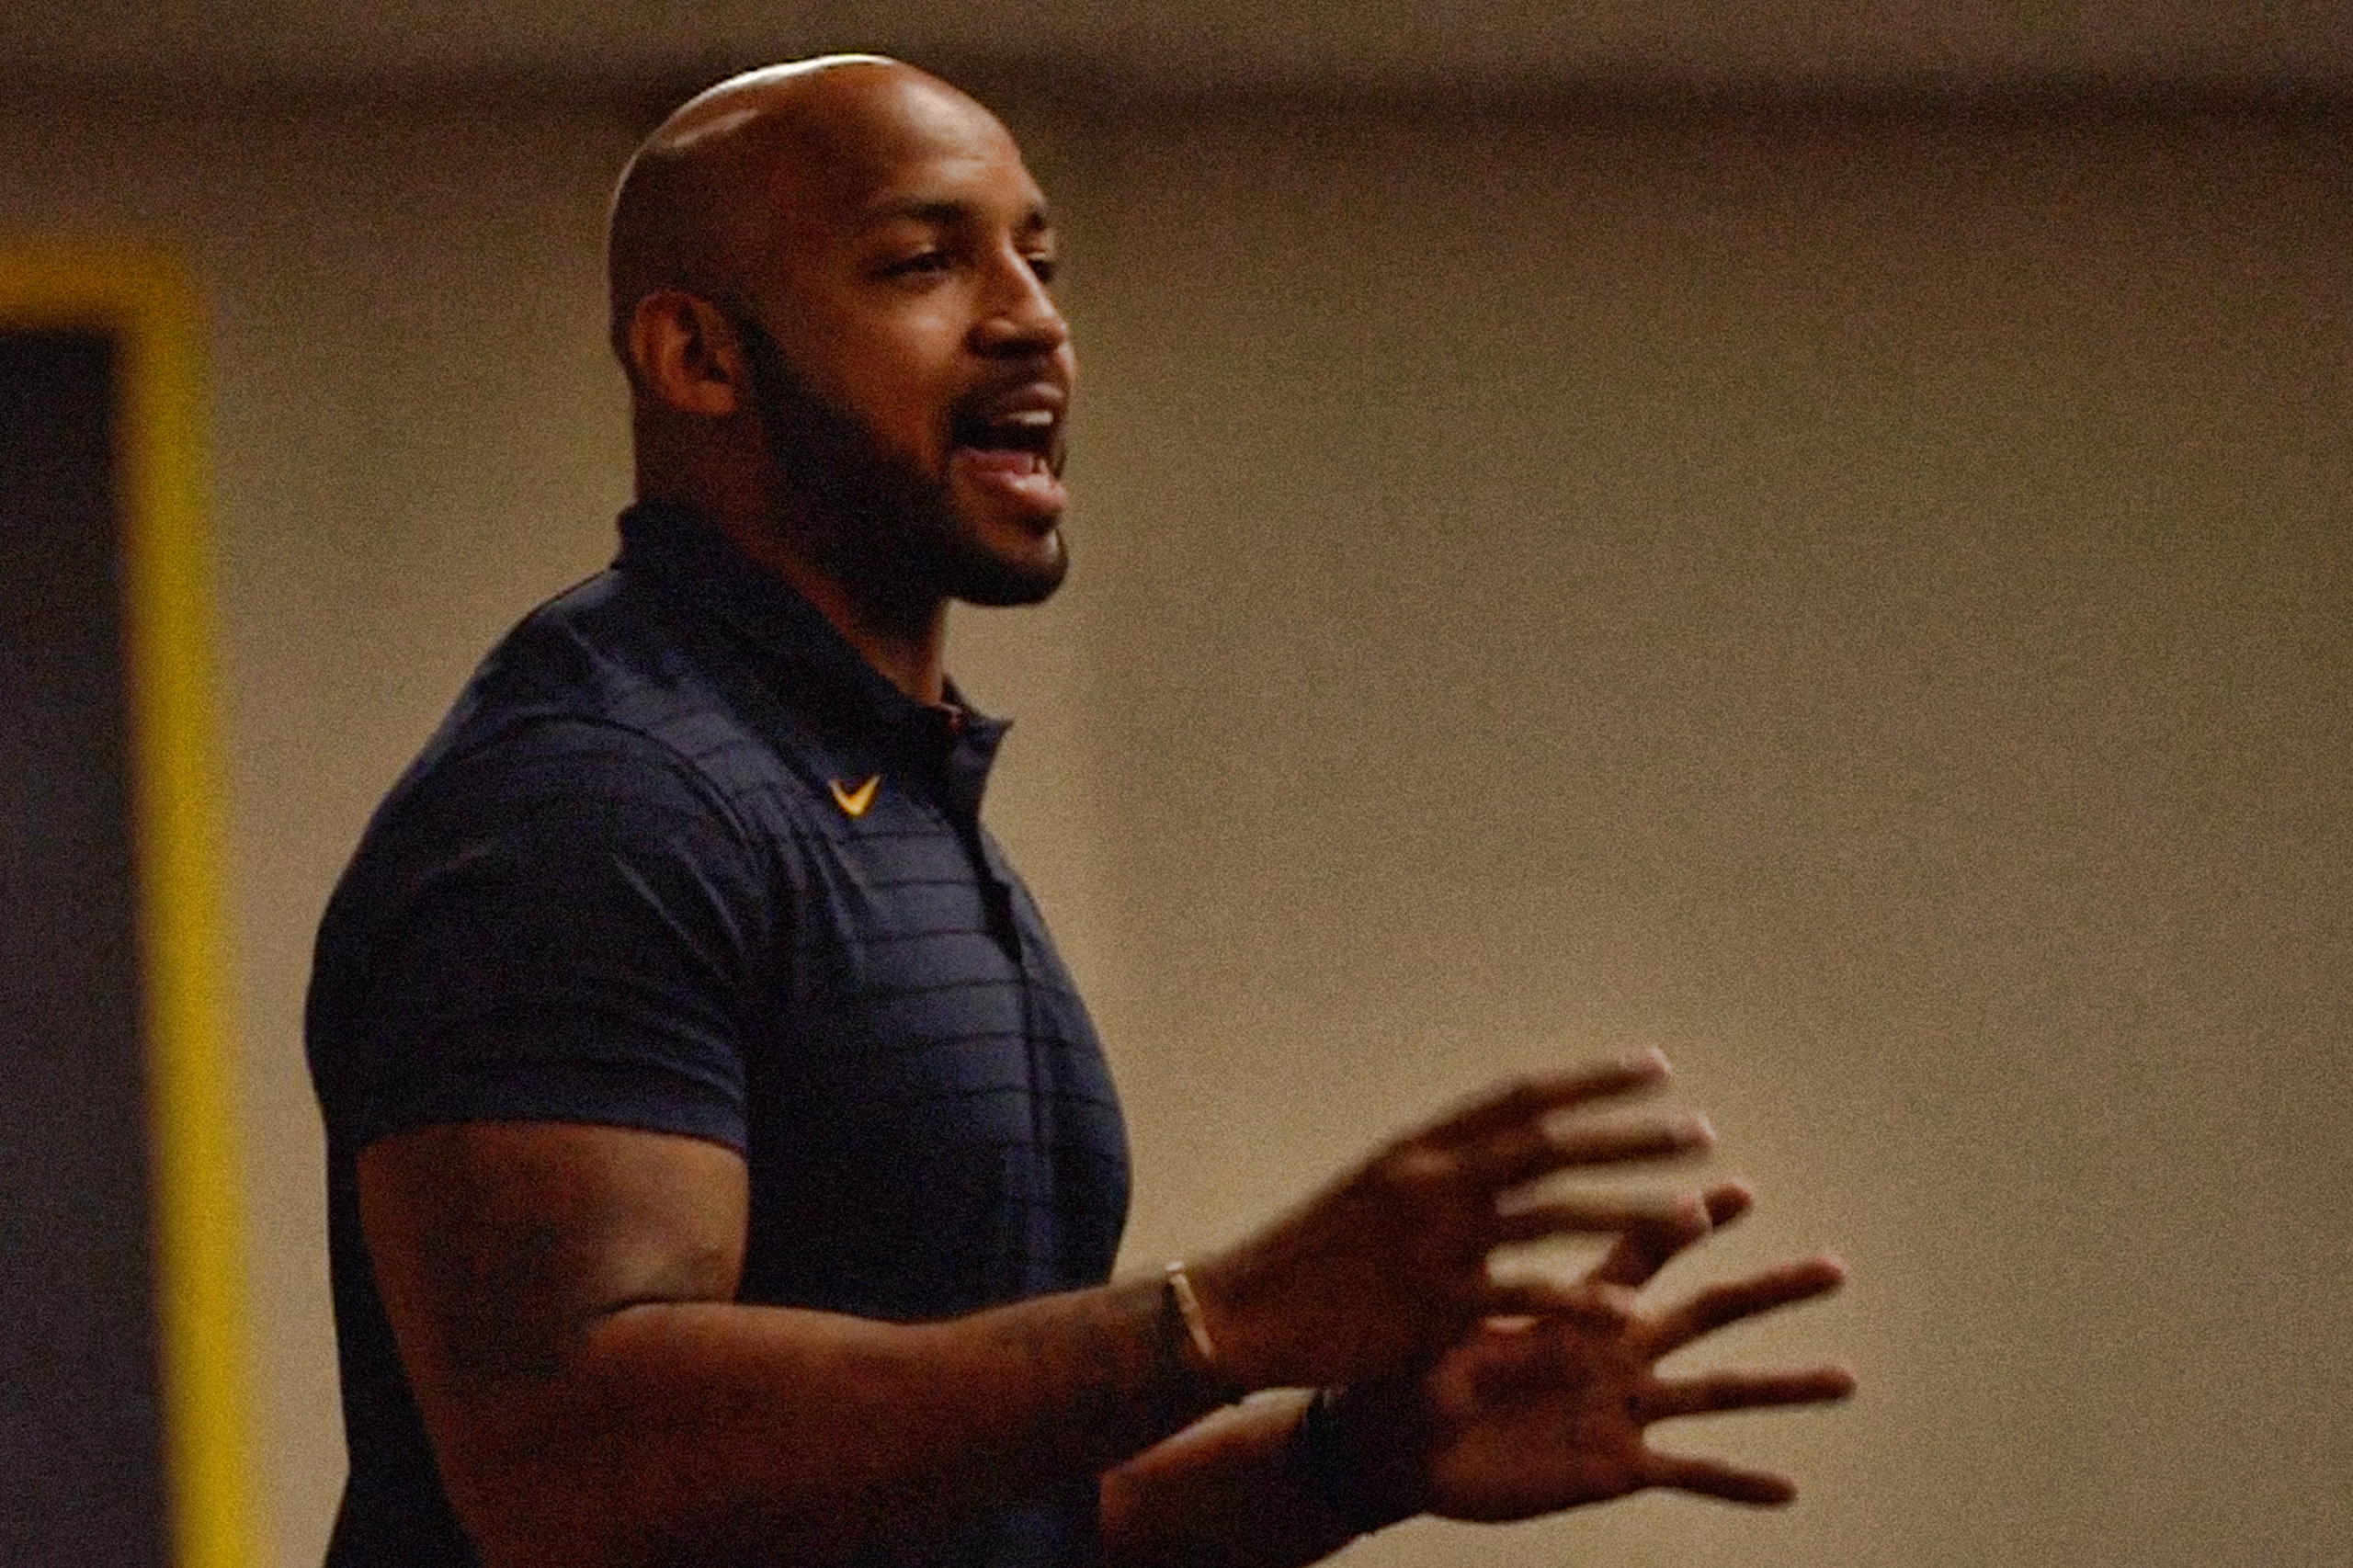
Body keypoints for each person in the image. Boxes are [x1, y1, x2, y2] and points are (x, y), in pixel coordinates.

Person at [304, 54, 1854, 1568]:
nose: (1031, 319)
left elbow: (993, 1520)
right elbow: (569, 1468)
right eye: (924, 261)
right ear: (699, 358)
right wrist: (1218, 1321)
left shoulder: (880, 799)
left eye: (1040, 264)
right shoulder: (594, 796)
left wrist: (1352, 1458)